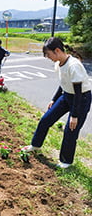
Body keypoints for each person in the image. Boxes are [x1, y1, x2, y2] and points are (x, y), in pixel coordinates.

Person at [22, 37, 91, 168]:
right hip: (66, 96)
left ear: (57, 50)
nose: (48, 58)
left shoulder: (73, 65)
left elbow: (78, 91)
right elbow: (63, 84)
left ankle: (66, 162)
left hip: (81, 99)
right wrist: (54, 99)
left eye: (48, 54)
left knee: (70, 130)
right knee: (45, 120)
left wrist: (74, 115)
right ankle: (35, 145)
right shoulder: (58, 64)